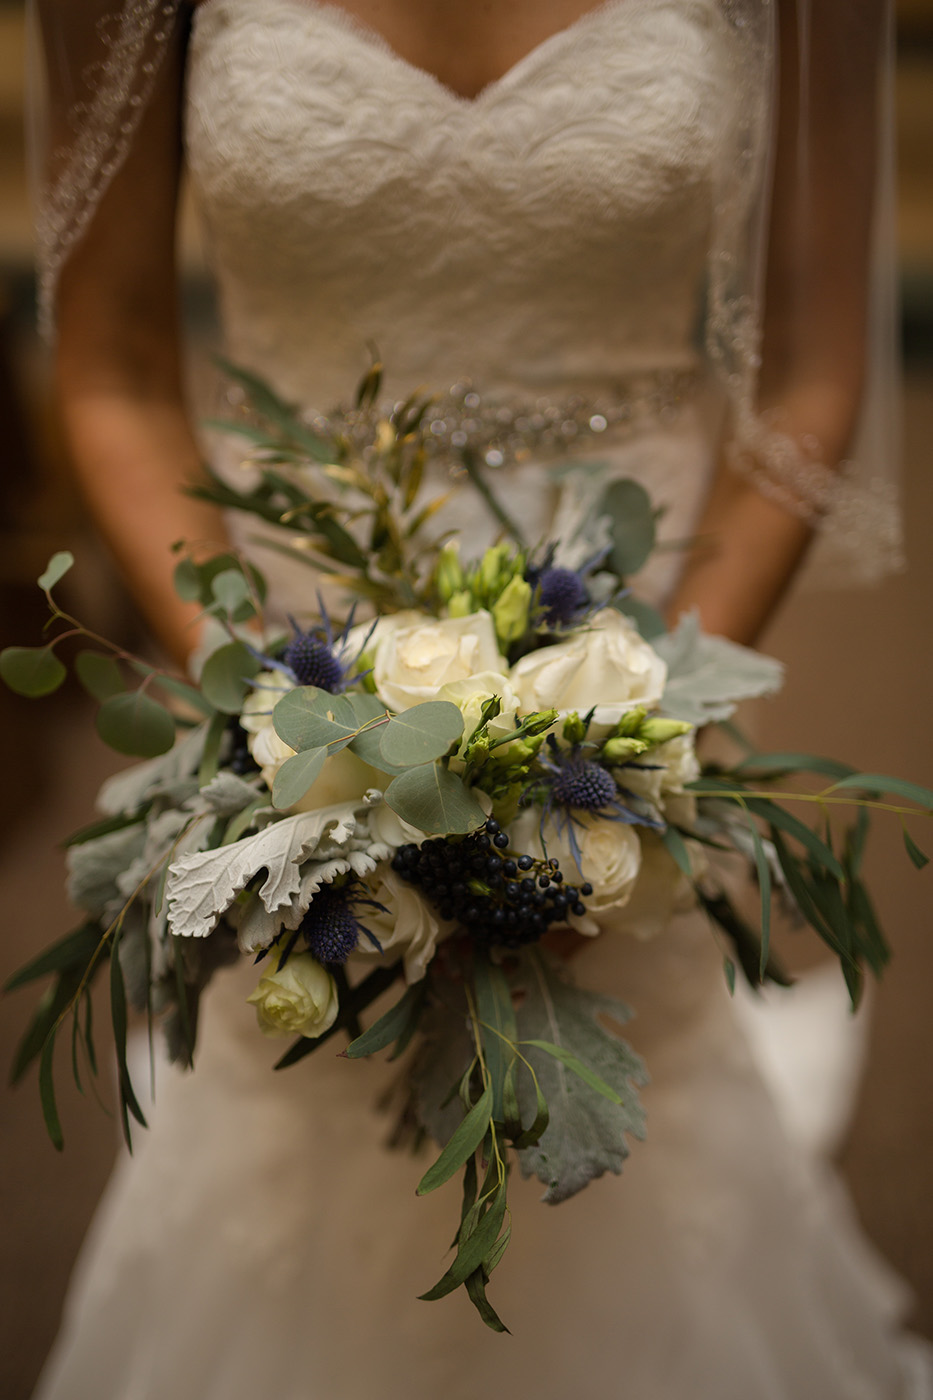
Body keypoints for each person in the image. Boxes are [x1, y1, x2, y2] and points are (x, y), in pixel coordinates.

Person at [27, 1, 929, 1396]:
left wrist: (635, 720)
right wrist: (283, 715)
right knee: (309, 1058)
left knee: (606, 1076)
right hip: (298, 629)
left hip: (635, 616)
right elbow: (115, 363)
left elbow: (809, 368)